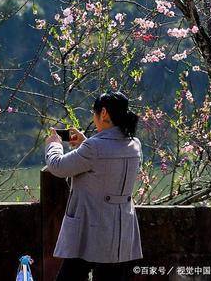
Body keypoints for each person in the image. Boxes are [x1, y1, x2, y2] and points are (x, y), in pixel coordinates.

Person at [45, 91, 143, 281]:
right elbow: (106, 159)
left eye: (95, 113)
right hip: (121, 229)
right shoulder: (134, 144)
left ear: (104, 113)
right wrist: (85, 143)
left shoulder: (94, 148)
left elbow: (57, 166)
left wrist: (54, 144)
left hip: (89, 230)